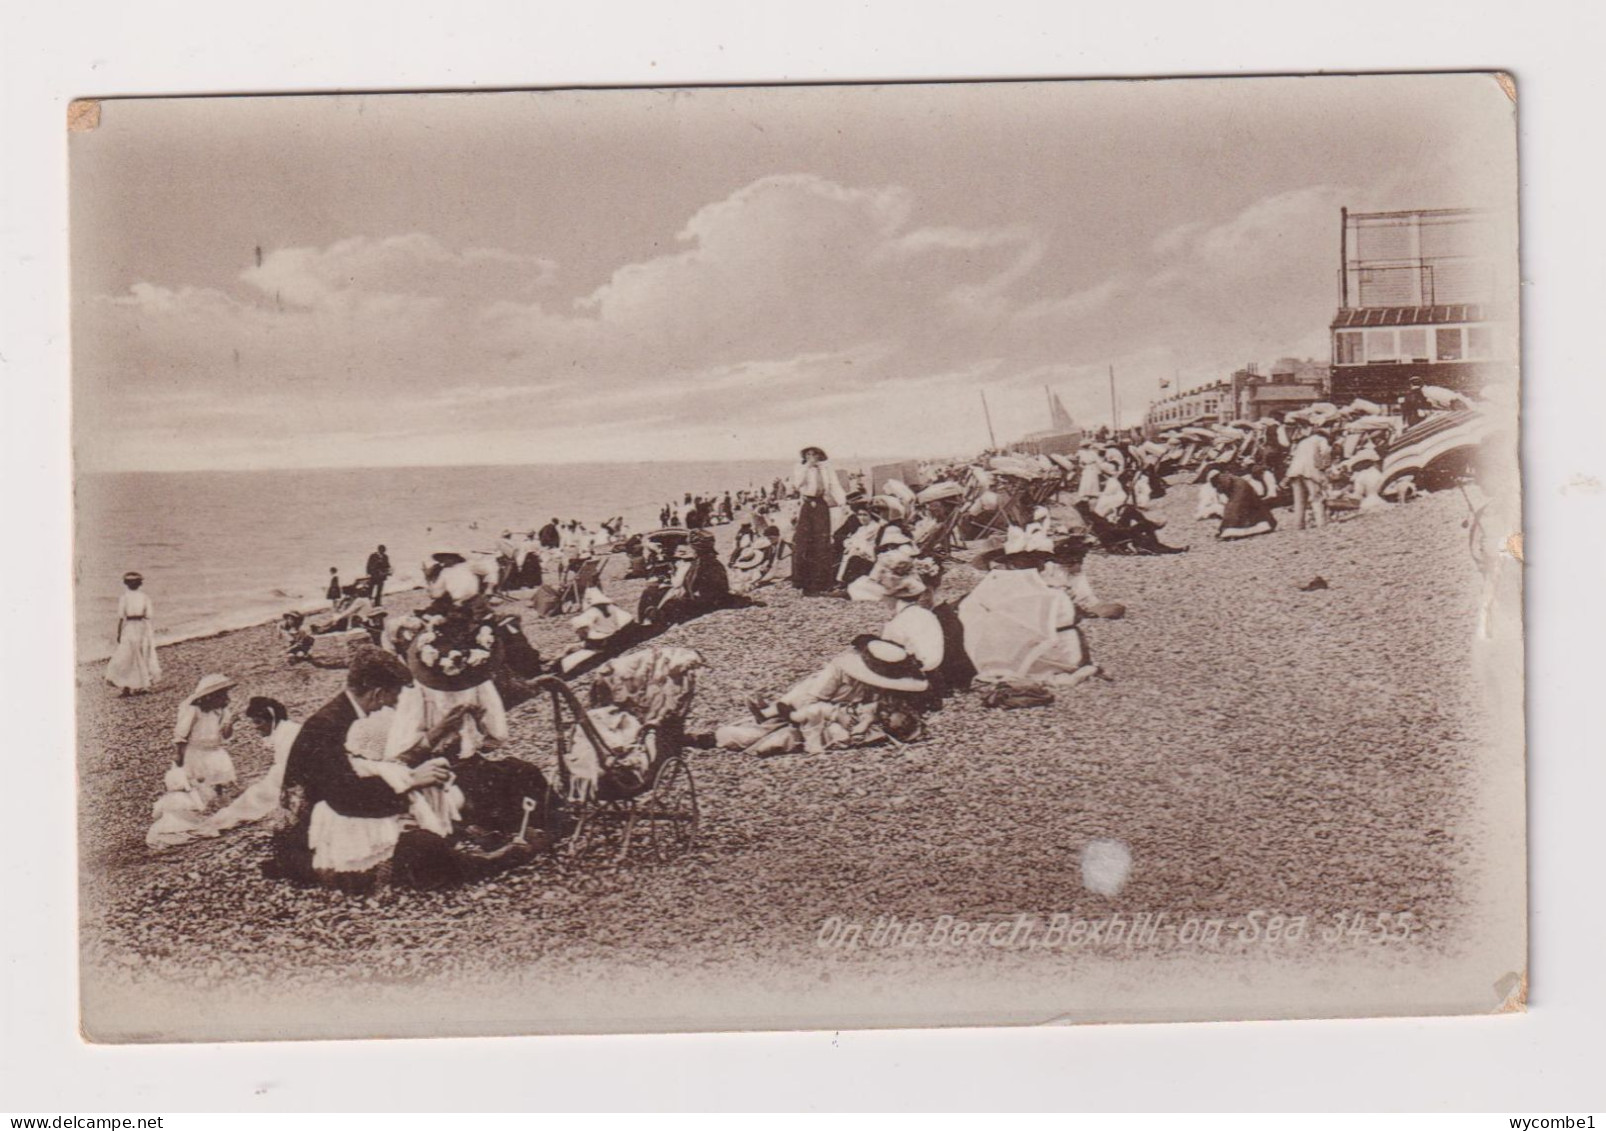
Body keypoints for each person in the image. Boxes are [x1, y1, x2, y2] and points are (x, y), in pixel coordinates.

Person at [270, 648, 454, 888]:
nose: (392, 705)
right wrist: (410, 781)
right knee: (426, 846)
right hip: (314, 844)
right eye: (394, 696)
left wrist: (427, 747)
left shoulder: (338, 714)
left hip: (328, 821)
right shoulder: (328, 726)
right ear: (377, 693)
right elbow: (347, 798)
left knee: (428, 833)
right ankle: (498, 861)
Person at [718, 635, 928, 755]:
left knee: (778, 738)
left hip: (839, 719)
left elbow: (885, 710)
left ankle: (763, 729)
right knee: (759, 732)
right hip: (811, 710)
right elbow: (811, 699)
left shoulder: (888, 684)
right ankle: (762, 719)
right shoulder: (839, 672)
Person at [203, 697, 302, 832]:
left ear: (272, 720)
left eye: (259, 722)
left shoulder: (289, 733)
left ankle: (224, 819)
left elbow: (289, 769)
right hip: (288, 773)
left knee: (256, 797)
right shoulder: (285, 730)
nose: (256, 727)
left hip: (295, 776)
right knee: (253, 795)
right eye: (254, 722)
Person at [172, 673, 239, 800]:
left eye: (225, 694)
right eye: (220, 695)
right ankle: (199, 800)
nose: (225, 698)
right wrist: (179, 753)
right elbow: (182, 733)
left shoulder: (222, 711)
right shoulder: (194, 710)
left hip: (214, 748)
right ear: (209, 697)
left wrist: (230, 723)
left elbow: (226, 735)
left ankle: (219, 797)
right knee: (197, 779)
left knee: (219, 774)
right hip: (196, 749)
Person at [790, 446, 847, 593]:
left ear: (820, 455)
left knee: (822, 541)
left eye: (814, 454)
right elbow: (797, 484)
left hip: (821, 503)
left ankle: (821, 580)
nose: (812, 456)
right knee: (804, 541)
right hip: (807, 504)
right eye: (808, 454)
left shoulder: (826, 468)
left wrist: (842, 504)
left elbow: (834, 486)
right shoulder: (800, 467)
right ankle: (802, 580)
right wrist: (807, 467)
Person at [105, 571, 161, 696]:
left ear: (126, 584)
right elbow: (149, 615)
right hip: (140, 626)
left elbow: (121, 617)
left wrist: (118, 633)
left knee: (127, 655)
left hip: (130, 627)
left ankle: (128, 687)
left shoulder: (124, 597)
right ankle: (140, 685)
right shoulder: (144, 597)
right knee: (140, 654)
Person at [1286, 424, 1333, 530]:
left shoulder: (1303, 442)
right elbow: (1325, 453)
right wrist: (1324, 467)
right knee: (1316, 496)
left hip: (1294, 471)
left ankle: (1299, 525)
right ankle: (1321, 523)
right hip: (1309, 470)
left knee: (1299, 499)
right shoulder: (1321, 440)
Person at [1210, 470, 1278, 540]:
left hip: (1240, 490)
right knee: (1251, 508)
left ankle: (1229, 531)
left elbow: (1229, 497)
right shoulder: (1227, 476)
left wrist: (1222, 528)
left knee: (1234, 509)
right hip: (1245, 488)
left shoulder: (1223, 479)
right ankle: (1265, 525)